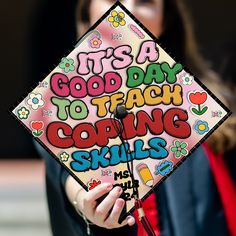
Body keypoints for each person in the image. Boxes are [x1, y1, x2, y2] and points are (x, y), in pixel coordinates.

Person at [33, 0, 236, 235]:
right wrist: (85, 201)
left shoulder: (207, 105)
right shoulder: (62, 109)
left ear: (166, 19)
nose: (127, 10)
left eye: (145, 1)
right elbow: (63, 170)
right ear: (87, 13)